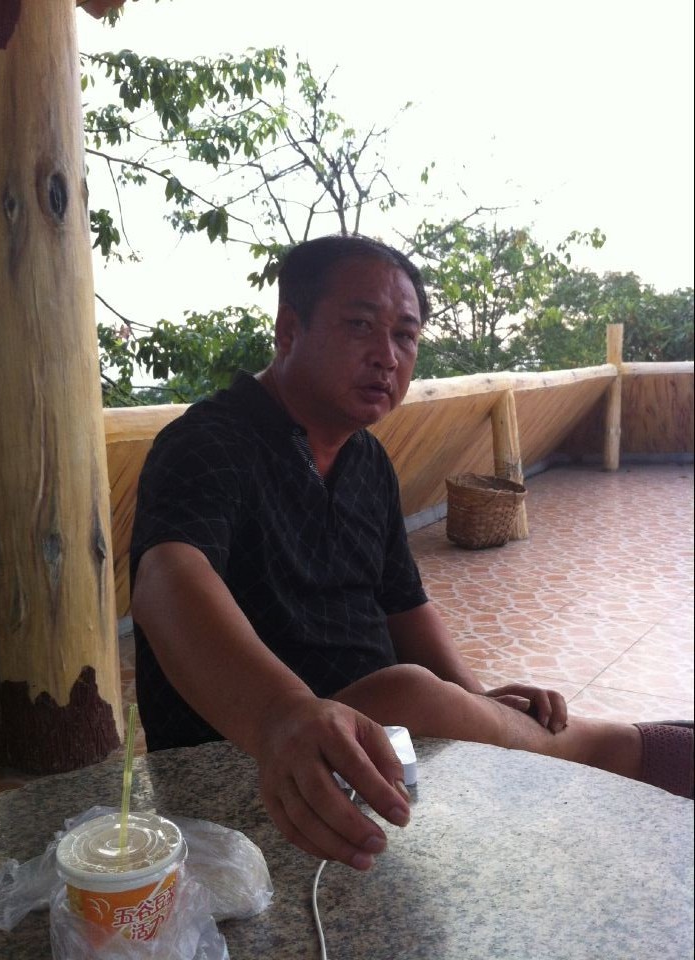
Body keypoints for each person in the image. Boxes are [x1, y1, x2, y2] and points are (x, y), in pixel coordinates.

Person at [130, 235, 693, 872]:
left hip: (382, 747)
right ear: (289, 329)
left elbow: (404, 604)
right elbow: (167, 576)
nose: (387, 355)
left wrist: (478, 703)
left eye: (405, 335)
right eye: (360, 325)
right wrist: (280, 715)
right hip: (248, 754)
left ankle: (619, 751)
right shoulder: (207, 444)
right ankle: (628, 752)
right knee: (409, 690)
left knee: (423, 697)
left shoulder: (366, 459)